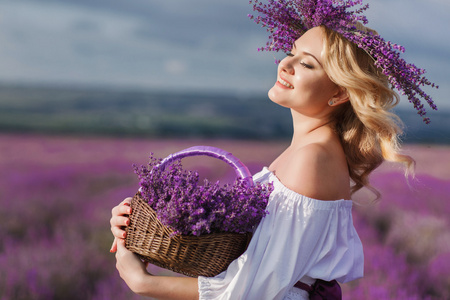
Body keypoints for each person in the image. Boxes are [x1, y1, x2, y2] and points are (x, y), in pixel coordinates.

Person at [110, 1, 437, 299]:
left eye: (307, 64)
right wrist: (151, 221)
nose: (285, 64)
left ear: (338, 94)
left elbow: (253, 291)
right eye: (291, 52)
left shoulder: (314, 159)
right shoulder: (304, 152)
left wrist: (144, 282)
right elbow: (247, 259)